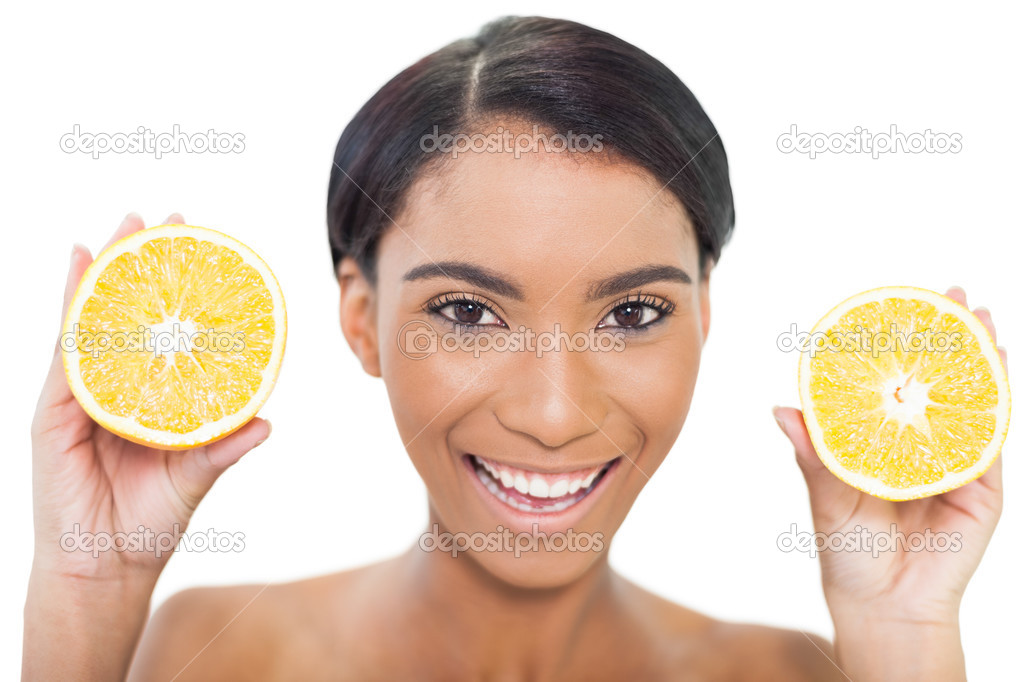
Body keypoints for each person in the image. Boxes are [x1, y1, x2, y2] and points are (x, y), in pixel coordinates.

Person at [24, 16, 1005, 681]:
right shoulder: (213, 654)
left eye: (631, 315)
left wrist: (904, 633)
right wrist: (85, 588)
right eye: (466, 311)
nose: (551, 411)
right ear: (360, 320)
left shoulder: (799, 672)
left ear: (706, 314)